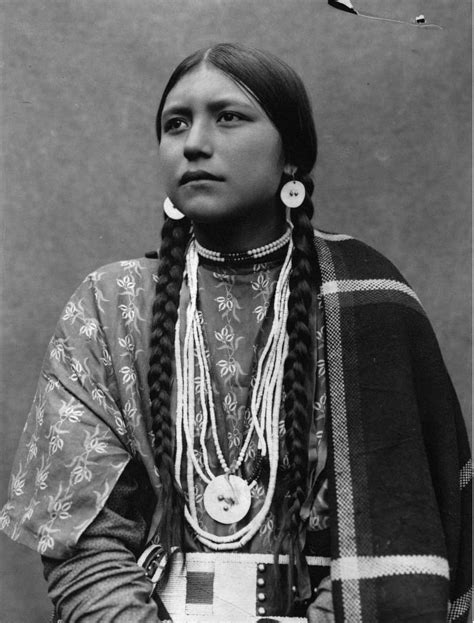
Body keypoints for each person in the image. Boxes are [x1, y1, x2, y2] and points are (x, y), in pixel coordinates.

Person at [0, 43, 471, 623]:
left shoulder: (366, 302)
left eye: (229, 117)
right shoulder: (110, 304)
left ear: (292, 157)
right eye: (176, 124)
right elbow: (84, 544)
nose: (194, 142)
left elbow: (397, 525)